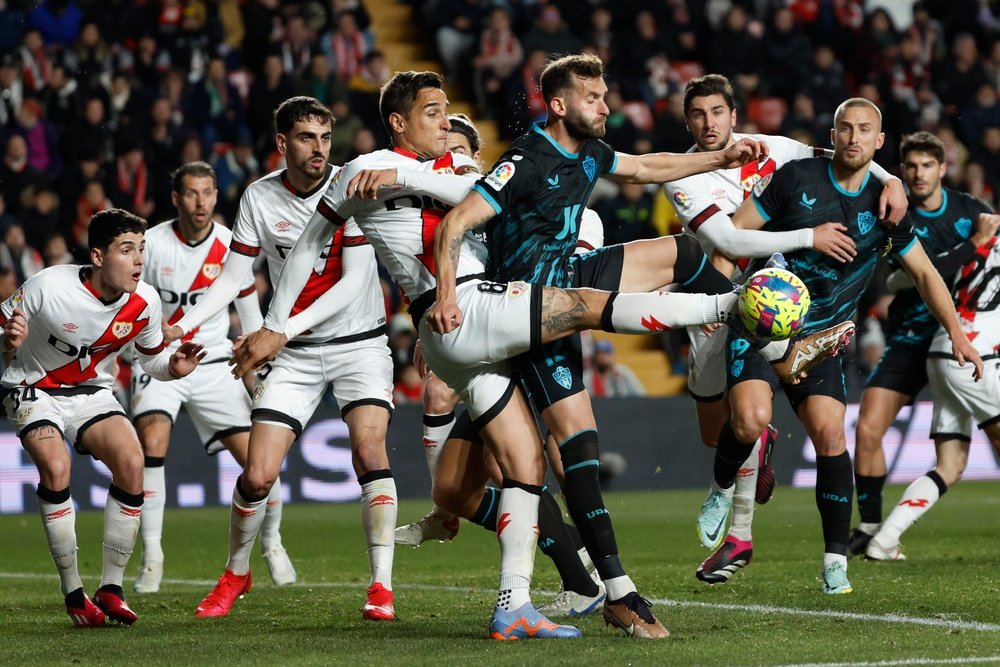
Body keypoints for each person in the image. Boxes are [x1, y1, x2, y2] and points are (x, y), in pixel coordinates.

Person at [228, 68, 768, 640]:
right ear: (397, 122)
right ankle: (730, 309)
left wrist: (420, 175)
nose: (445, 120)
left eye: (445, 111)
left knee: (525, 465)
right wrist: (276, 327)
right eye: (432, 112)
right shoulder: (364, 170)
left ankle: (513, 605)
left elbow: (480, 191)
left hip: (468, 330)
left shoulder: (446, 167)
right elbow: (317, 237)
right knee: (582, 306)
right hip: (462, 308)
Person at [429, 55, 858, 635]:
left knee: (684, 252)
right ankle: (615, 588)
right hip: (527, 311)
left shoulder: (589, 151)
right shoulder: (527, 160)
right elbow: (456, 222)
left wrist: (721, 156)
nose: (607, 106)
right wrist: (448, 297)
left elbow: (644, 167)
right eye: (593, 97)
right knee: (570, 450)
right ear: (558, 105)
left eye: (606, 95)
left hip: (572, 274)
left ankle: (760, 338)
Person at [698, 98, 984, 596]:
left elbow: (924, 273)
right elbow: (732, 235)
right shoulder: (796, 179)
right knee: (748, 420)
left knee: (832, 437)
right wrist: (801, 240)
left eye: (865, 130)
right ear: (832, 134)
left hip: (823, 340)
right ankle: (720, 490)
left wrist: (958, 333)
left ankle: (835, 562)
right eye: (845, 128)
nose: (853, 137)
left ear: (879, 142)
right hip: (764, 322)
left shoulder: (888, 204)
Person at [663, 73, 906, 584]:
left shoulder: (778, 149)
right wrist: (807, 236)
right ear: (687, 121)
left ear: (735, 114)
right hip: (716, 301)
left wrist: (893, 181)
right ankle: (756, 455)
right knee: (719, 434)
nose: (709, 124)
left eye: (718, 112)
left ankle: (740, 538)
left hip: (785, 305)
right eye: (698, 115)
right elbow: (727, 239)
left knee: (752, 418)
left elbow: (848, 151)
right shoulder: (683, 175)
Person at [162, 97, 397, 622]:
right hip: (295, 354)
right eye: (307, 138)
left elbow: (354, 281)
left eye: (325, 138)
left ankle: (381, 586)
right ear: (282, 143)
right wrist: (186, 323)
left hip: (358, 343)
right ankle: (237, 572)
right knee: (258, 475)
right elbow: (232, 278)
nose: (319, 149)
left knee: (368, 451)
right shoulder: (259, 197)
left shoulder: (350, 185)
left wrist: (275, 331)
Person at [0, 208, 206, 627]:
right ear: (97, 256)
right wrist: (8, 338)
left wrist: (174, 368)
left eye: (141, 250)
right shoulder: (47, 285)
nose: (138, 261)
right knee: (57, 469)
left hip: (91, 391)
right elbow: (3, 325)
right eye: (126, 250)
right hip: (33, 389)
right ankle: (74, 593)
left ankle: (111, 589)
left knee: (133, 464)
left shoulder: (144, 301)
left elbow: (152, 360)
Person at [130, 161, 294, 595]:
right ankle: (152, 558)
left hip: (216, 359)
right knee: (152, 442)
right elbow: (130, 303)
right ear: (176, 198)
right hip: (160, 356)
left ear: (216, 195)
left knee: (260, 463)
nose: (200, 202)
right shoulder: (154, 245)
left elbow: (251, 312)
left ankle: (272, 543)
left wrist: (257, 362)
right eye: (191, 193)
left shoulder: (230, 243)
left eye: (207, 192)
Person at [848, 131, 1000, 556]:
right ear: (902, 171)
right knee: (868, 427)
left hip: (963, 337)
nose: (918, 174)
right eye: (911, 166)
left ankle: (884, 534)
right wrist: (972, 246)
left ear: (942, 169)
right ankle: (873, 527)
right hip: (913, 337)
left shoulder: (972, 211)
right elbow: (920, 274)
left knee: (963, 452)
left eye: (927, 165)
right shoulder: (894, 214)